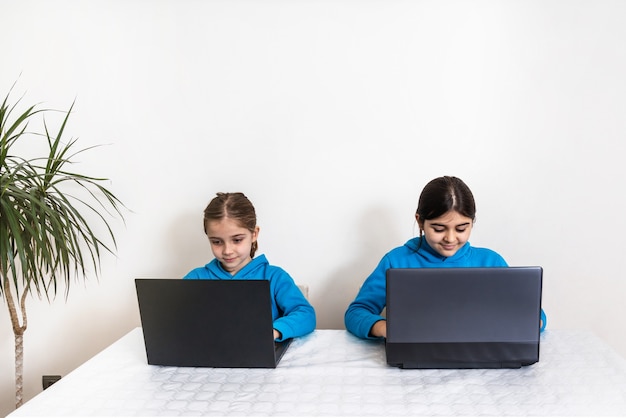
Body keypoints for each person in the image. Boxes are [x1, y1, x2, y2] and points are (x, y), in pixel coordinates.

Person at [344, 176, 547, 339]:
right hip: (415, 355)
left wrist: (530, 322)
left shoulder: (490, 262)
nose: (450, 238)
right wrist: (385, 328)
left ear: (472, 223)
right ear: (420, 221)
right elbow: (356, 312)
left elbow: (535, 314)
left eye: (461, 228)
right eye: (439, 228)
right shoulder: (396, 261)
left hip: (480, 358)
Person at [184, 192, 316, 341]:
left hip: (259, 357)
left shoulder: (274, 277)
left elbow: (305, 314)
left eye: (237, 240)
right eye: (217, 242)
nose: (227, 250)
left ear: (254, 234)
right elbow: (174, 318)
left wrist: (275, 331)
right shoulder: (195, 279)